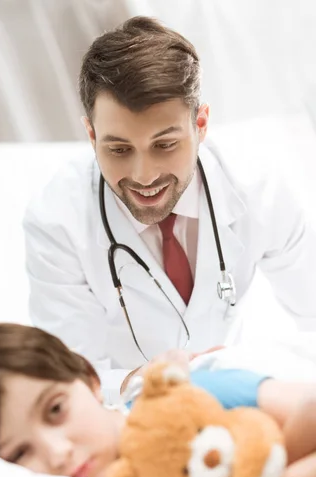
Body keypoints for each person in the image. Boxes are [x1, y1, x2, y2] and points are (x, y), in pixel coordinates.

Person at [23, 16, 316, 403]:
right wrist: (141, 381)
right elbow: (70, 382)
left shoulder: (259, 191)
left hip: (237, 396)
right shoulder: (57, 220)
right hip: (128, 413)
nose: (143, 176)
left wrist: (244, 368)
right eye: (119, 149)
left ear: (201, 124)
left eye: (164, 145)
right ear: (91, 135)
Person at [0, 323, 316, 477]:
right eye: (19, 453)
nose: (58, 453)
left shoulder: (188, 398)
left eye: (55, 410)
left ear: (89, 380)